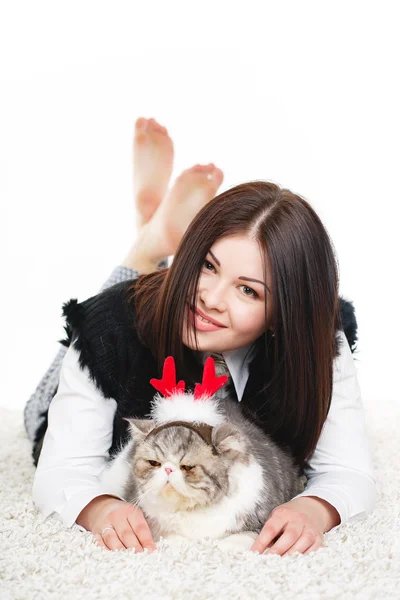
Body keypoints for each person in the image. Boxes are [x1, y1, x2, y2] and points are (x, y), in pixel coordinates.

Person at [25, 117, 376, 557]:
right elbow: (63, 470)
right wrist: (99, 508)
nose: (210, 298)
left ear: (282, 315)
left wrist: (315, 508)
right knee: (37, 416)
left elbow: (349, 471)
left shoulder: (319, 341)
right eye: (207, 265)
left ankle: (151, 240)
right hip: (132, 323)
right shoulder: (107, 331)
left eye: (248, 290)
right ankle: (146, 248)